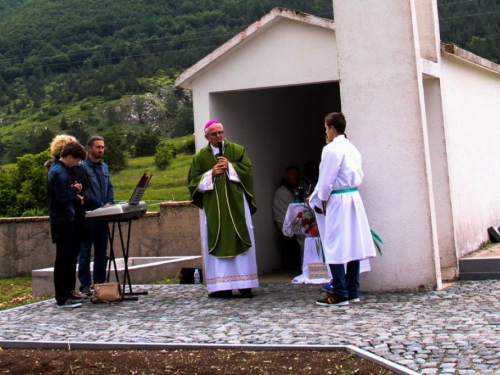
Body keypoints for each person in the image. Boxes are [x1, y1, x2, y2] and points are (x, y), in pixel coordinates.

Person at [309, 112, 377, 307]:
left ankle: (339, 292)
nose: (326, 133)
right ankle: (353, 289)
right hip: (353, 197)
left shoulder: (332, 149)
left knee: (335, 244)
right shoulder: (352, 148)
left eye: (325, 129)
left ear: (331, 128)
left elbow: (326, 179)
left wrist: (321, 198)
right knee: (353, 243)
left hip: (338, 199)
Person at [188, 120, 259, 298]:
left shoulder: (237, 150)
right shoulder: (200, 157)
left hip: (236, 205)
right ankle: (221, 285)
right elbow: (192, 182)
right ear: (206, 137)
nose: (219, 136)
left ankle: (245, 284)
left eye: (221, 132)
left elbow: (248, 172)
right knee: (216, 238)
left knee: (241, 235)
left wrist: (231, 167)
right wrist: (211, 173)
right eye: (214, 134)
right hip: (214, 207)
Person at [46, 135, 92, 300]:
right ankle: (62, 295)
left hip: (67, 218)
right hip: (62, 220)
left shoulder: (62, 170)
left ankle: (66, 292)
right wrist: (75, 192)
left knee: (67, 257)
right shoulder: (59, 171)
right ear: (70, 156)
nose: (77, 164)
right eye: (77, 160)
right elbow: (62, 197)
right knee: (63, 259)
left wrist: (76, 192)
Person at [78, 136, 114, 296]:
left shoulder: (104, 167)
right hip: (89, 216)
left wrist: (109, 203)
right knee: (85, 253)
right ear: (89, 148)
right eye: (98, 147)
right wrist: (99, 205)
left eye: (102, 147)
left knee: (102, 252)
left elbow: (109, 186)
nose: (101, 150)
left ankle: (100, 283)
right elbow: (85, 191)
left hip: (103, 216)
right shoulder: (82, 168)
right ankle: (85, 285)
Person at [272, 165, 303, 270]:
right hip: (284, 223)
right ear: (286, 176)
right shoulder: (283, 192)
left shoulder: (294, 189)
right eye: (293, 175)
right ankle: (306, 264)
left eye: (297, 175)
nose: (296, 177)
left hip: (293, 221)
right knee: (306, 233)